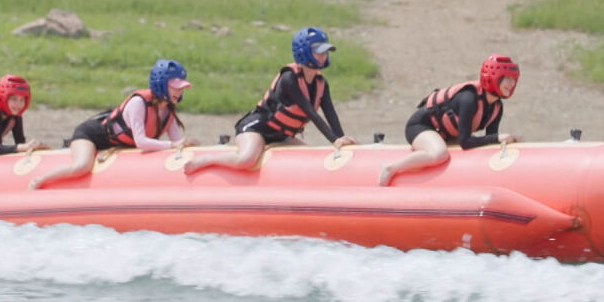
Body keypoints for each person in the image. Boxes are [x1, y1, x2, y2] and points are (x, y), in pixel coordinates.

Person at [184, 26, 356, 174]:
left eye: (325, 52)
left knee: (309, 157)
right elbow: (310, 112)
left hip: (281, 136)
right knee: (246, 159)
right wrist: (334, 140)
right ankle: (206, 160)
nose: (324, 56)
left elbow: (330, 113)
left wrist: (342, 140)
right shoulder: (289, 79)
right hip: (257, 128)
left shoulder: (321, 84)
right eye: (319, 52)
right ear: (304, 52)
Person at [29, 59, 196, 189]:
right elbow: (141, 142)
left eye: (182, 88)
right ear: (161, 84)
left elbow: (176, 147)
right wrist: (174, 144)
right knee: (81, 167)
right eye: (175, 87)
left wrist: (183, 147)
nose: (180, 92)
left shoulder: (168, 112)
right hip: (91, 135)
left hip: (117, 143)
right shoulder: (138, 103)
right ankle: (40, 180)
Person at [377, 54, 521, 186]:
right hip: (421, 126)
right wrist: (497, 137)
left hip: (444, 134)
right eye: (507, 79)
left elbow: (490, 141)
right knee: (439, 154)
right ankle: (390, 167)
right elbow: (465, 141)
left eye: (513, 79)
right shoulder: (468, 98)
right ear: (493, 77)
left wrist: (500, 140)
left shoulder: (496, 107)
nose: (512, 84)